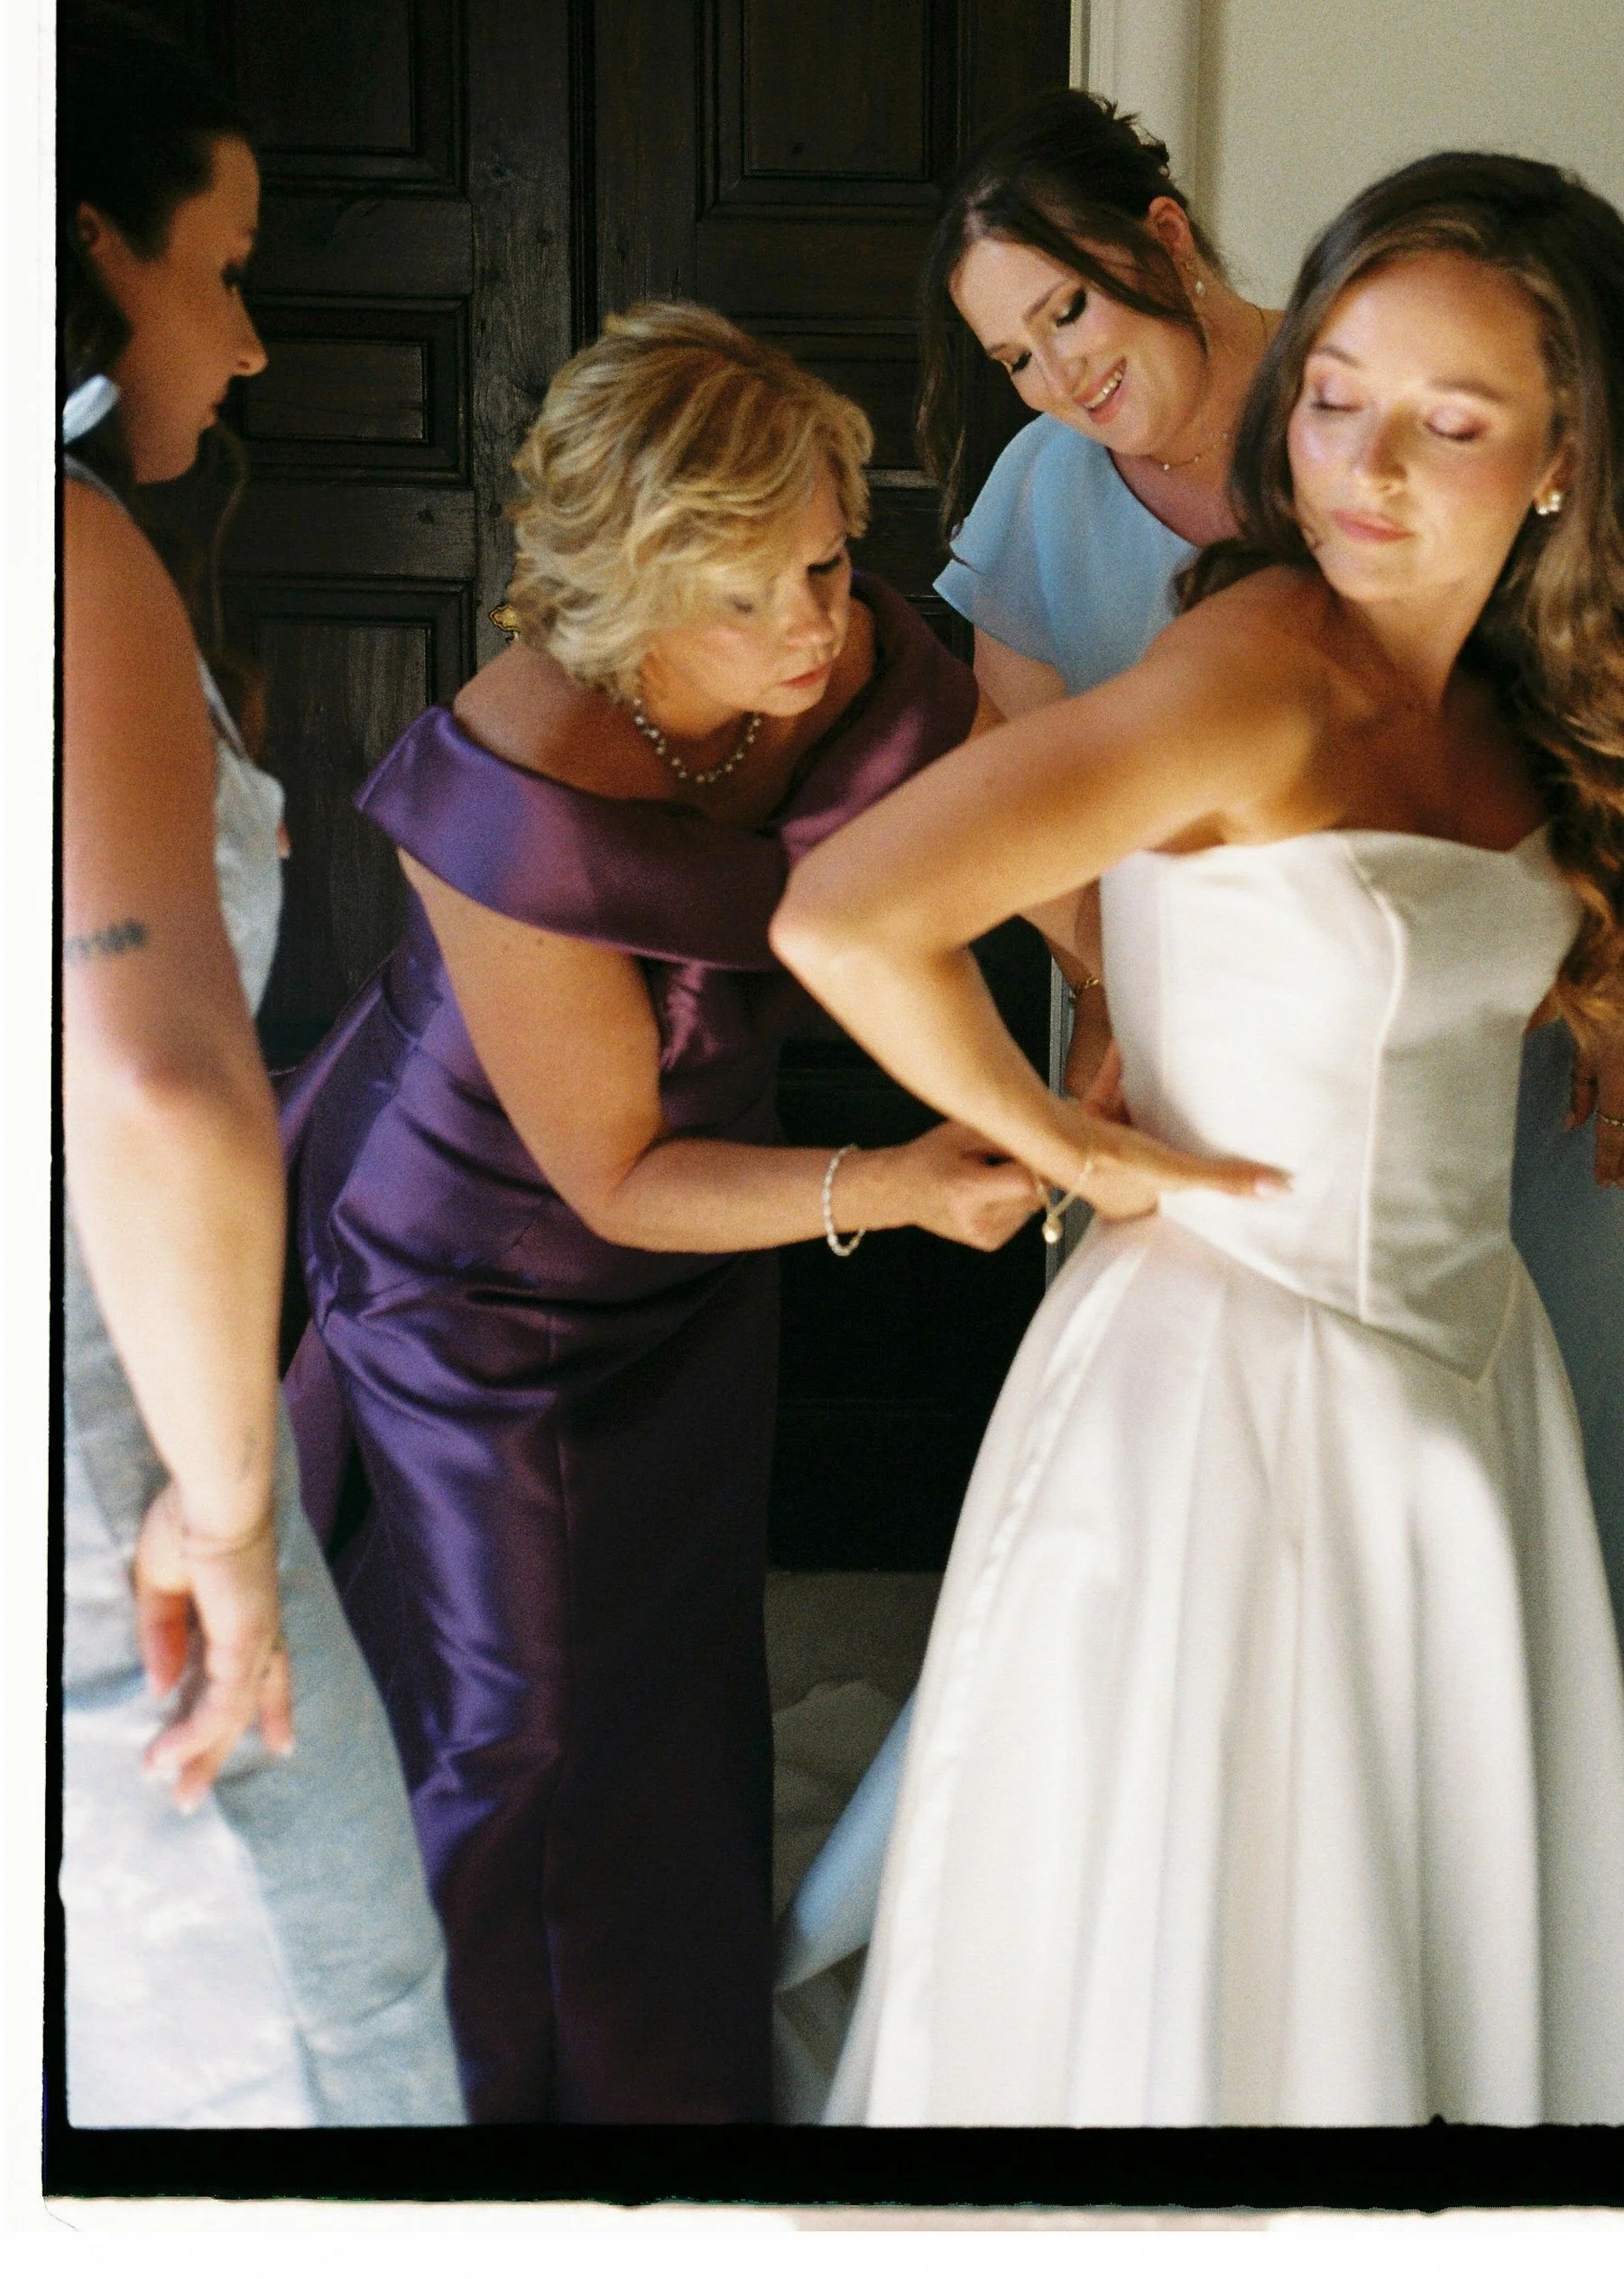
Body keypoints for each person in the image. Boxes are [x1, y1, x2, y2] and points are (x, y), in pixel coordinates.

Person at [772, 153, 1624, 2125]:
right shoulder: (1253, 666)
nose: (1363, 463)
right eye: (1336, 390)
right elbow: (848, 911)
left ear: (1563, 456)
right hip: (1230, 1399)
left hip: (1468, 1377)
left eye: (1446, 421)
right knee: (1228, 1953)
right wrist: (1071, 1136)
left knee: (1429, 1908)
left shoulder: (1522, 690)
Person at [918, 90, 1624, 1739]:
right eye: (1016, 356)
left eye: (1072, 311)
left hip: (1490, 1005)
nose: (1061, 377)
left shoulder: (1386, 379)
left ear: (1161, 240)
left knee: (1517, 1405)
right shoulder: (1046, 486)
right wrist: (1115, 1001)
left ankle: (1533, 1793)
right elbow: (1015, 764)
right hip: (1224, 1050)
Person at [279, 303, 1041, 2125]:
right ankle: (499, 2106)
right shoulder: (505, 788)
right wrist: (901, 1183)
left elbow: (1046, 829)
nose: (808, 628)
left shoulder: (838, 649)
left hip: (708, 1242)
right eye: (745, 594)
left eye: (829, 564)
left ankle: (659, 2027)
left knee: (664, 1652)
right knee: (521, 1709)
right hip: (479, 1260)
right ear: (626, 595)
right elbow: (606, 1171)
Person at [59, 0, 463, 2128]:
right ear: (90, 249)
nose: (248, 342)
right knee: (322, 2039)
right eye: (218, 274)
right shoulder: (62, 556)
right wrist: (226, 1519)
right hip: (108, 1444)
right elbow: (153, 1085)